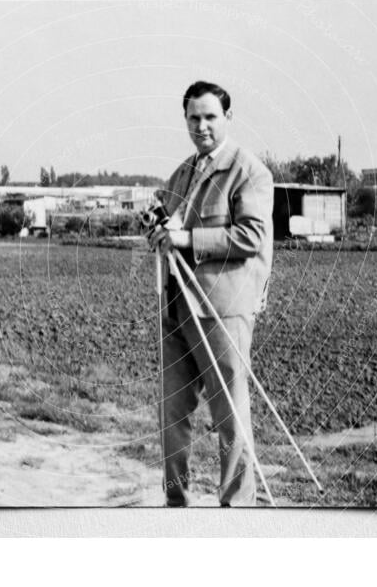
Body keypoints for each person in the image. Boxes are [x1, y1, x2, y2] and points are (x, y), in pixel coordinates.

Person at [148, 80, 274, 507]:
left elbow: (251, 236)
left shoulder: (249, 171)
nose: (201, 127)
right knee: (172, 415)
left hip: (222, 312)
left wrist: (185, 239)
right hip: (176, 308)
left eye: (210, 117)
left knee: (230, 419)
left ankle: (236, 509)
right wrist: (159, 231)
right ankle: (175, 503)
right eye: (193, 118)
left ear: (228, 118)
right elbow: (169, 225)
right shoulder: (181, 173)